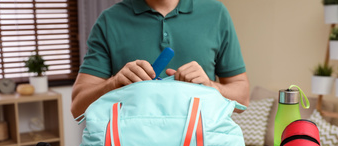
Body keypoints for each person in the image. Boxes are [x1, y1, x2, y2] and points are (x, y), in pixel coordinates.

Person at [71, 0, 249, 118]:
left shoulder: (216, 14)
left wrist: (210, 87)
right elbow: (78, 108)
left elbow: (242, 100)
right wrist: (114, 83)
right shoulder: (109, 21)